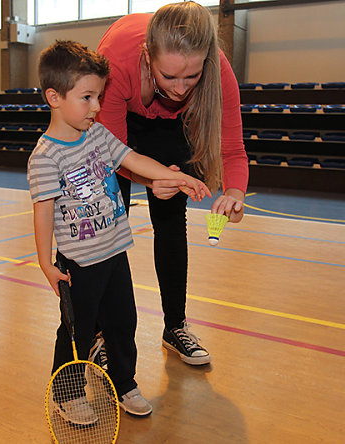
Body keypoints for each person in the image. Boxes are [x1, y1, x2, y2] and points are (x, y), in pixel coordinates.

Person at [28, 40, 211, 423]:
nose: (97, 107)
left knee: (123, 322)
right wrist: (45, 262)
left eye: (99, 96)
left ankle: (123, 382)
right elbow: (43, 211)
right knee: (77, 331)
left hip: (114, 252)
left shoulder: (96, 135)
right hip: (79, 263)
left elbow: (133, 159)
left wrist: (177, 178)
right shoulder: (46, 157)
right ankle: (67, 393)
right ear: (54, 97)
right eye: (88, 97)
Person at [94, 2, 249, 366]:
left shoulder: (217, 69)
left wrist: (234, 194)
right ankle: (99, 332)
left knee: (171, 221)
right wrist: (149, 177)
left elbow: (234, 150)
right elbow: (113, 154)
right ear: (148, 57)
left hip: (167, 128)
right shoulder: (115, 64)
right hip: (115, 133)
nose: (180, 89)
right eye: (169, 76)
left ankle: (175, 326)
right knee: (107, 227)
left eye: (191, 77)